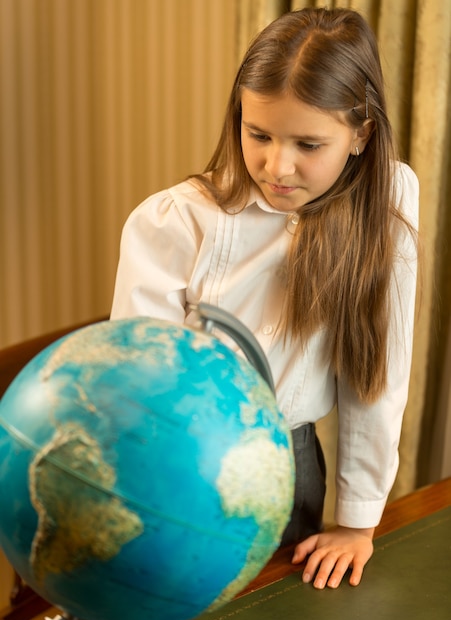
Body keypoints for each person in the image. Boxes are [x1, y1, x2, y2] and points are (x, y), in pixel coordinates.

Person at [110, 7, 419, 590]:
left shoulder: (387, 206)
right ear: (239, 118)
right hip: (175, 460)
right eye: (259, 134)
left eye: (308, 143)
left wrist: (358, 524)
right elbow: (140, 382)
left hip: (291, 468)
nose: (278, 166)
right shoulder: (174, 222)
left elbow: (379, 373)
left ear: (361, 134)